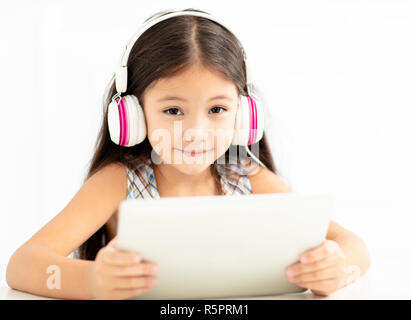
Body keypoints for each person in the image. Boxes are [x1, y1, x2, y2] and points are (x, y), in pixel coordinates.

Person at [6, 8, 370, 300]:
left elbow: (355, 247)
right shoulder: (119, 181)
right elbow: (22, 266)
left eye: (217, 110)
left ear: (243, 115)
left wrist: (336, 269)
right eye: (173, 110)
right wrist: (94, 282)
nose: (196, 132)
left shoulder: (243, 175)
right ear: (131, 115)